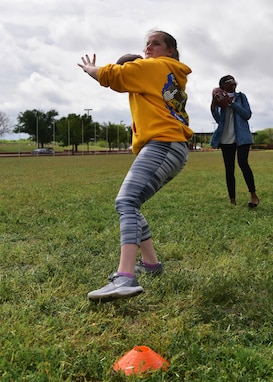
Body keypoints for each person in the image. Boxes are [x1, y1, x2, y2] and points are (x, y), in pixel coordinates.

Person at [78, 30, 193, 302]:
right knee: (132, 203)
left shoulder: (154, 66)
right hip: (170, 146)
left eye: (156, 44)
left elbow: (112, 77)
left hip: (163, 145)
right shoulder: (167, 75)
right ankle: (151, 264)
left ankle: (125, 278)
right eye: (147, 44)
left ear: (170, 51)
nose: (149, 48)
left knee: (126, 202)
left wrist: (91, 68)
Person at [210, 75, 259, 207]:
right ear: (222, 85)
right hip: (226, 138)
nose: (232, 82)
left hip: (242, 137)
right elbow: (218, 119)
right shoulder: (220, 98)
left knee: (243, 163)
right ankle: (232, 200)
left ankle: (253, 196)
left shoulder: (241, 97)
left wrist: (232, 103)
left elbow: (247, 114)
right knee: (229, 169)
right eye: (228, 81)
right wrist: (213, 105)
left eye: (233, 80)